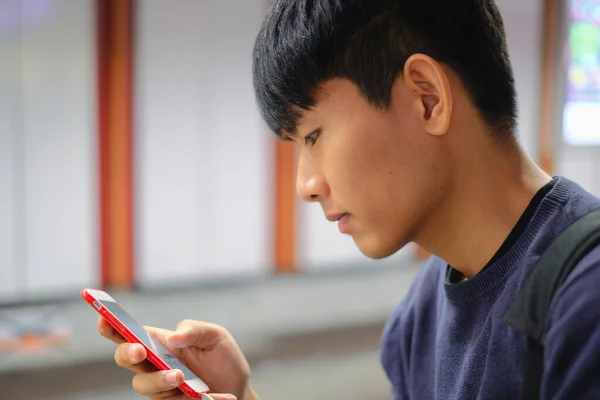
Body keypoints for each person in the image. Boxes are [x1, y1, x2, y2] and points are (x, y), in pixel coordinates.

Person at [99, 0, 600, 399]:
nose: (305, 185)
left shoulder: (585, 302)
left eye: (313, 136)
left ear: (427, 98)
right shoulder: (419, 317)